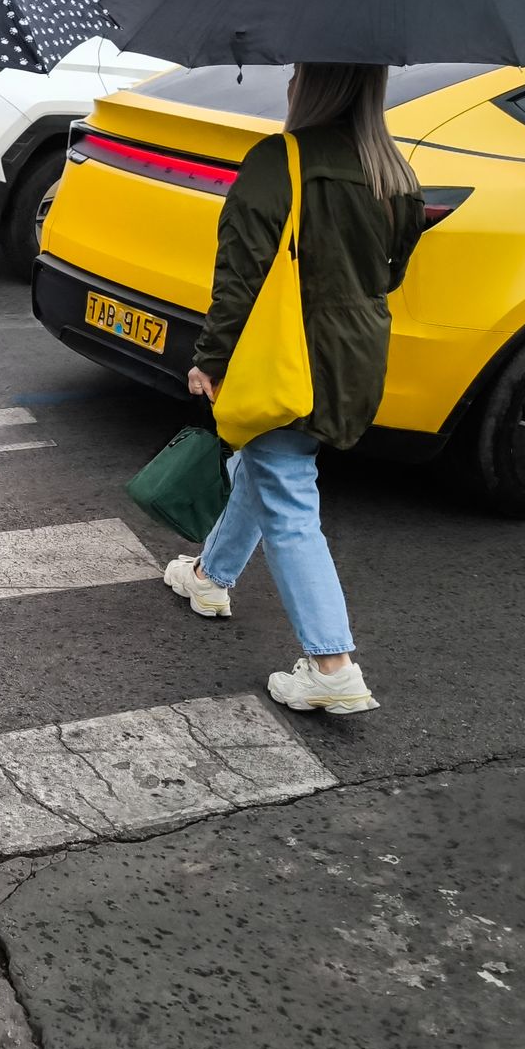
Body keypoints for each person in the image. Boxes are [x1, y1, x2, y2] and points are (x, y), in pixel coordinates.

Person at [165, 62, 425, 716]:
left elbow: (240, 272)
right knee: (271, 464)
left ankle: (331, 662)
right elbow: (391, 272)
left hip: (287, 355)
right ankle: (209, 577)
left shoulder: (279, 159)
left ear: (310, 87)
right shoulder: (394, 170)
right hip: (358, 354)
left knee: (288, 499)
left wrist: (212, 358)